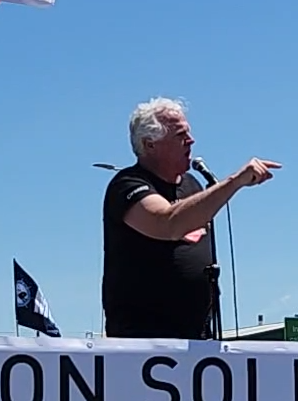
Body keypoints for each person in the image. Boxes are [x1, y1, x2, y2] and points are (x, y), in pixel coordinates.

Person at [101, 97, 279, 339]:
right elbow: (167, 223)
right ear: (149, 144)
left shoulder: (192, 185)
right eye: (180, 135)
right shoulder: (127, 185)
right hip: (142, 341)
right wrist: (234, 182)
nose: (191, 141)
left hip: (198, 338)